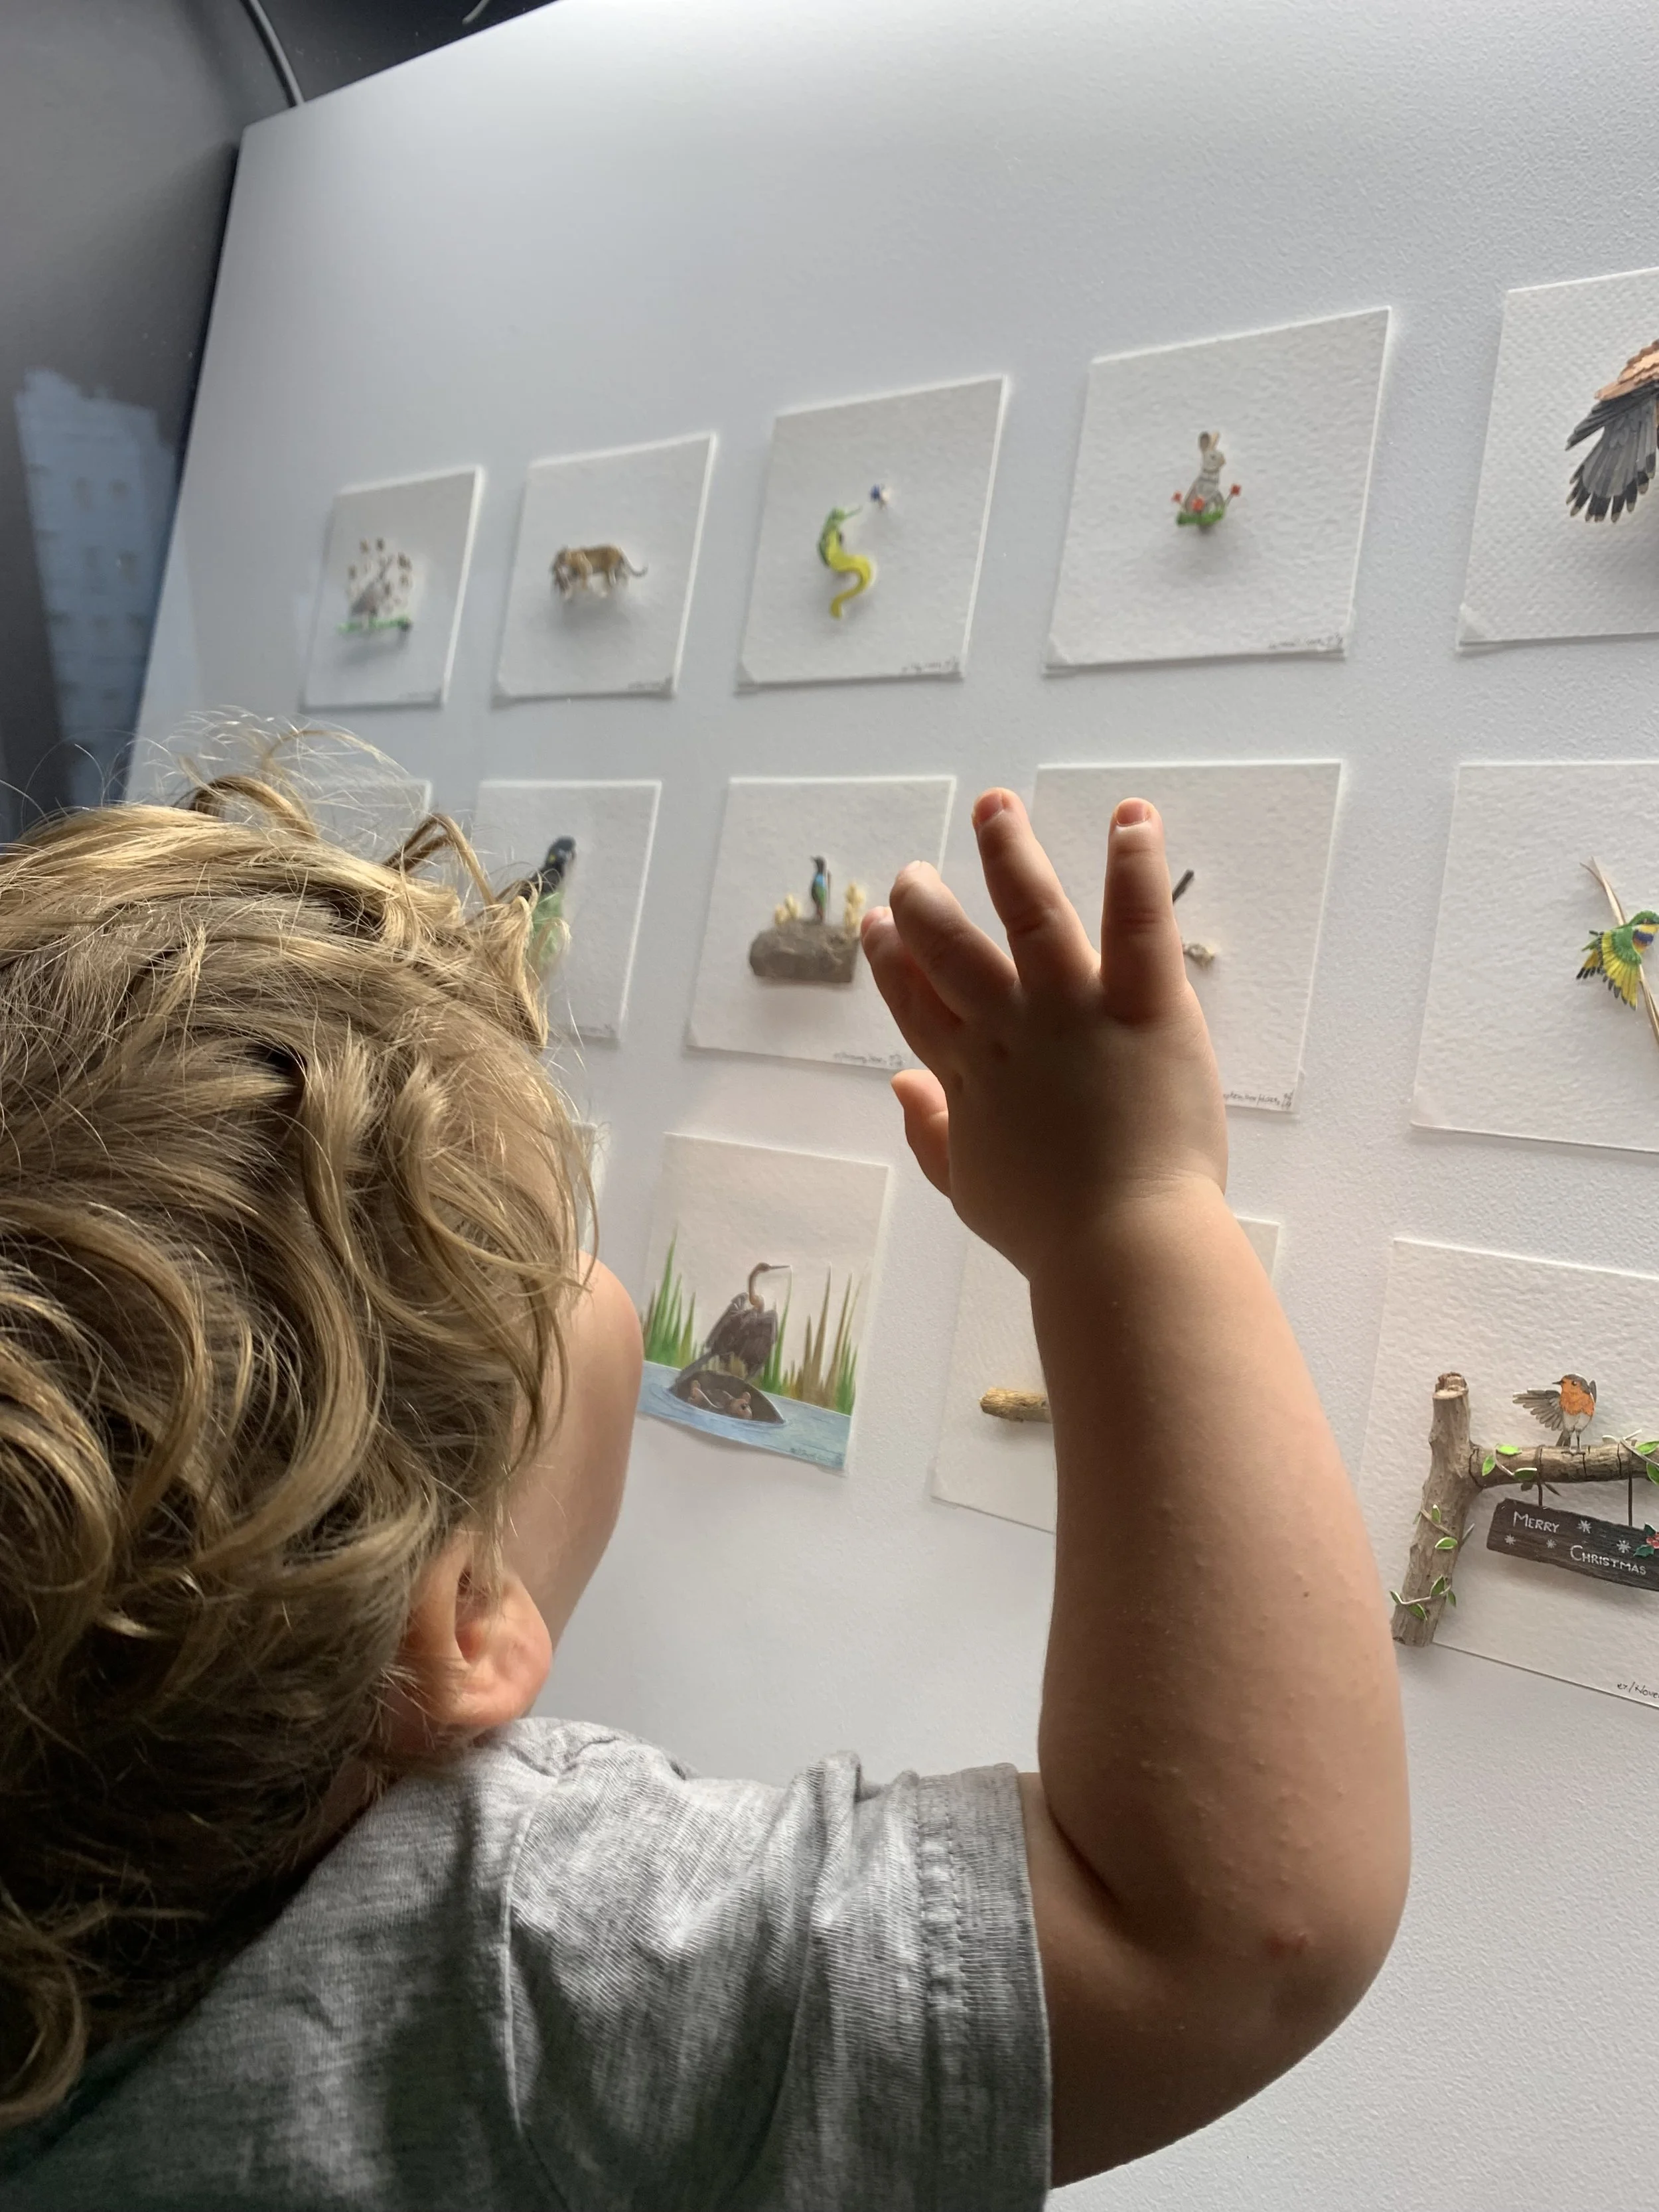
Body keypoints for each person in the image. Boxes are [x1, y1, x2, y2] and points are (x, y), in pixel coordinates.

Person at [0, 769, 1408, 2208]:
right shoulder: (509, 1979)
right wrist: (1136, 1209)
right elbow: (1229, 1937)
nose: (593, 1280)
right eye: (550, 1263)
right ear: (466, 1617)